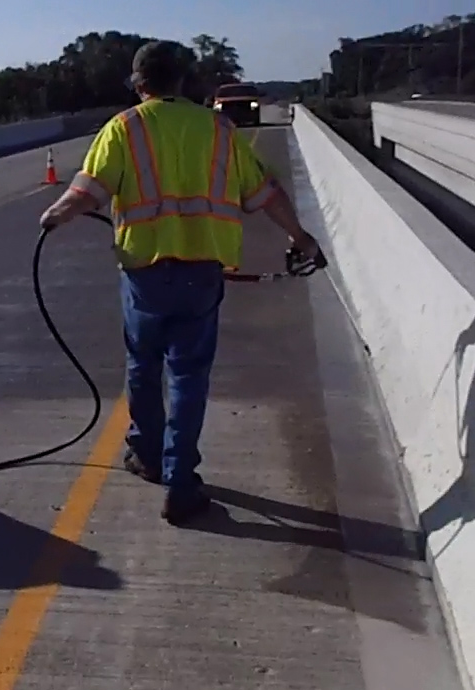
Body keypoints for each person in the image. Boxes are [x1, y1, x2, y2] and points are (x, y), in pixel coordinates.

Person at [39, 41, 324, 525]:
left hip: (144, 275)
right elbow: (263, 192)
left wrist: (55, 215)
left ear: (138, 83)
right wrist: (302, 237)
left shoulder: (123, 128)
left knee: (143, 366)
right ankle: (181, 483)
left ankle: (147, 454)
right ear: (182, 82)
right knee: (189, 376)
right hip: (201, 273)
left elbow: (89, 190)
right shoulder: (218, 129)